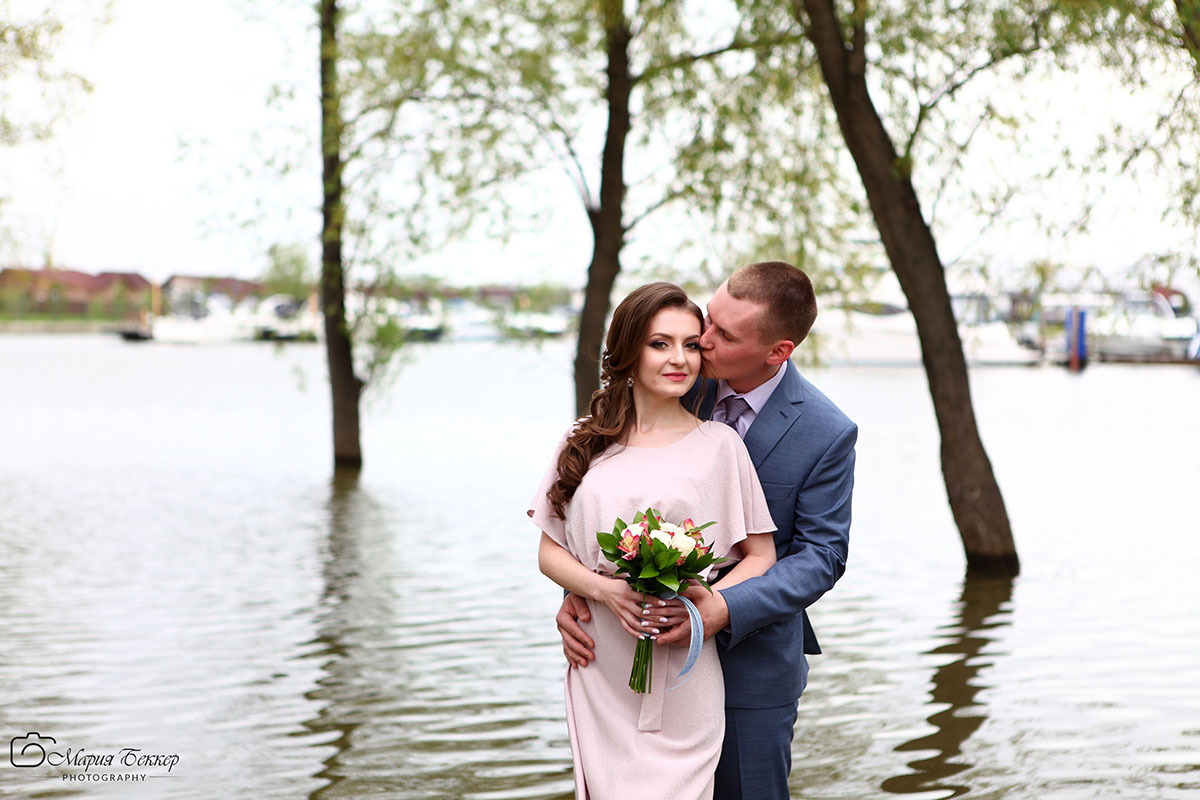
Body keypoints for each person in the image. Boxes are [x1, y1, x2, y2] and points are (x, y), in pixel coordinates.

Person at [555, 262, 858, 800]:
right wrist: (581, 593)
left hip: (752, 664)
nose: (703, 340)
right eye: (708, 320)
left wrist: (721, 608)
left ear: (777, 351)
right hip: (626, 657)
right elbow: (605, 496)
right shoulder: (676, 379)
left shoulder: (825, 431)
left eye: (724, 335)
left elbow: (821, 556)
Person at [528, 281, 779, 800]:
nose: (679, 359)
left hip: (684, 661)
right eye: (660, 343)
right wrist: (604, 590)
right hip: (600, 661)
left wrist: (707, 603)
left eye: (691, 345)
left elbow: (761, 555)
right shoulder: (582, 440)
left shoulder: (721, 446)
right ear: (628, 351)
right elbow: (550, 551)